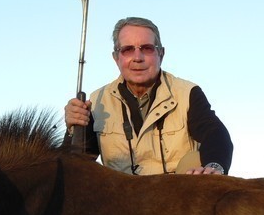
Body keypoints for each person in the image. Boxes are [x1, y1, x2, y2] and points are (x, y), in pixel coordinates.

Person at [64, 17, 233, 175]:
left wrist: (214, 167)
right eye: (128, 50)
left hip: (177, 197)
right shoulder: (97, 100)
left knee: (195, 160)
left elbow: (215, 134)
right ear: (116, 58)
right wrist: (73, 128)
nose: (137, 58)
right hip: (121, 200)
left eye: (147, 48)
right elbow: (75, 163)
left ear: (161, 54)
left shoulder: (187, 92)